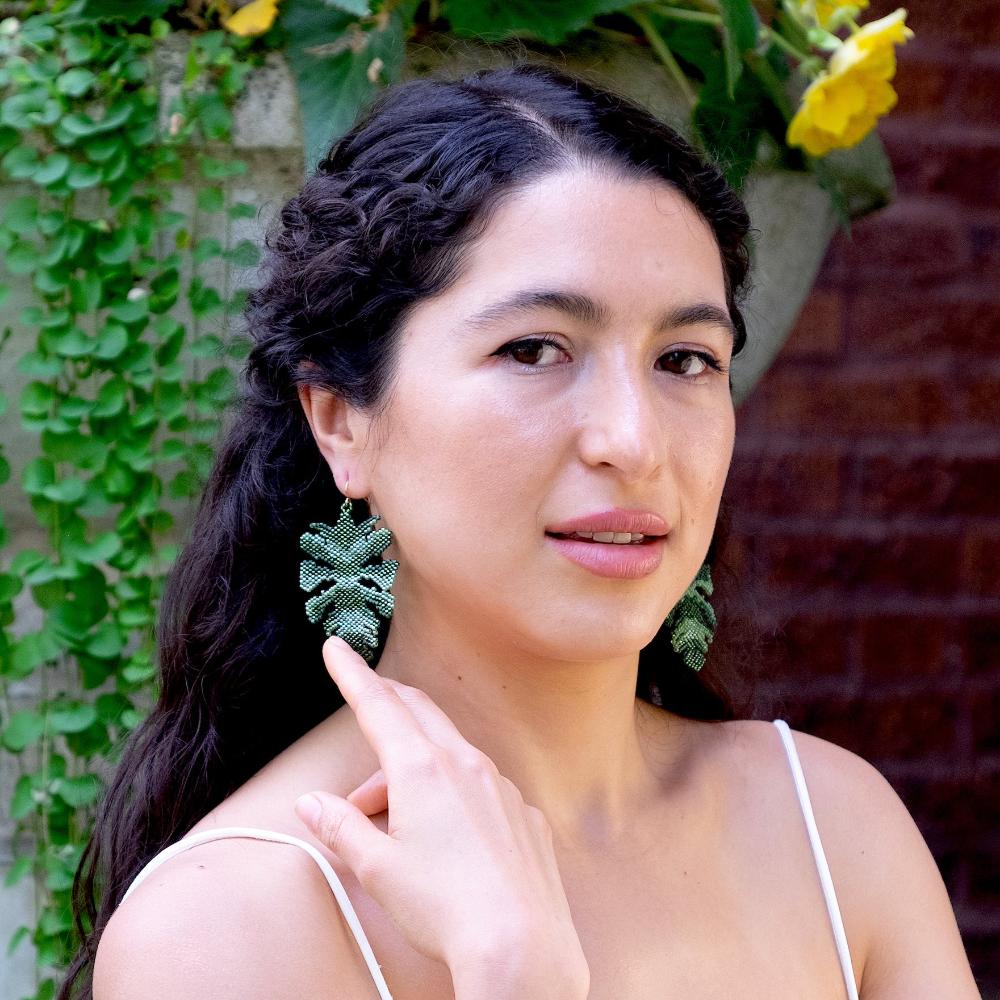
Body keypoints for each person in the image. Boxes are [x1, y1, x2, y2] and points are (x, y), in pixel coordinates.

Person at [62, 62, 979, 1000]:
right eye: (533, 349)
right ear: (341, 420)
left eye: (685, 359)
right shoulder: (229, 926)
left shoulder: (833, 828)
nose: (633, 440)